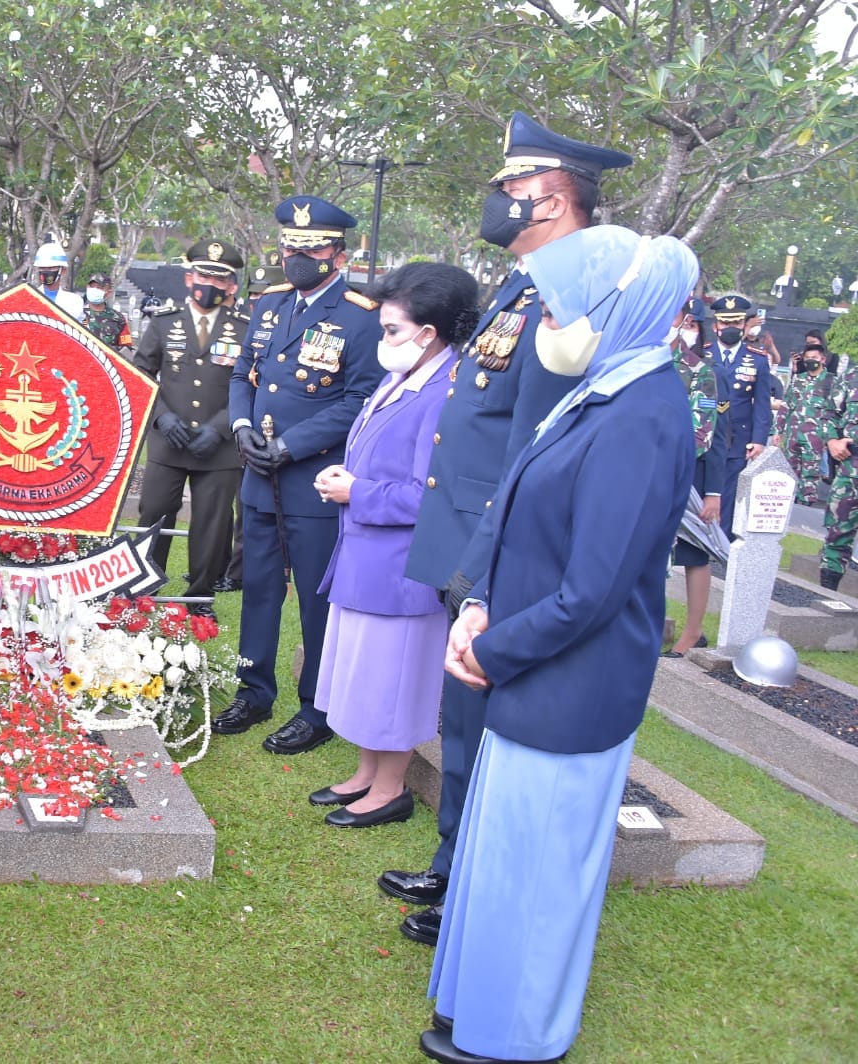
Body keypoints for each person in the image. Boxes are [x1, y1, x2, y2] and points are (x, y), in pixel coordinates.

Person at [424, 227, 698, 1064]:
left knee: (540, 873)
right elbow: (523, 518)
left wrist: (491, 649)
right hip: (530, 661)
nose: (547, 321)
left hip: (571, 681)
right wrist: (480, 610)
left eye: (560, 305)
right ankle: (475, 1006)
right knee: (503, 854)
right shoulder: (605, 390)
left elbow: (594, 588)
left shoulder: (643, 416)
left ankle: (520, 1038)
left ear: (621, 308)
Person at [380, 112, 632, 948]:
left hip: (503, 543)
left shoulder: (579, 292)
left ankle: (471, 888)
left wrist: (486, 567)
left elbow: (536, 445)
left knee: (488, 722)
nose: (499, 207)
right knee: (462, 719)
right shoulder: (526, 284)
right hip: (470, 532)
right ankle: (454, 866)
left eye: (511, 195)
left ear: (552, 202)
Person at [308, 264, 476, 827]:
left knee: (394, 681)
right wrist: (347, 480)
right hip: (363, 554)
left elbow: (435, 494)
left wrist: (359, 492)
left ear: (429, 333)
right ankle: (364, 772)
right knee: (361, 673)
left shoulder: (447, 392)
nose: (384, 342)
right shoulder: (399, 378)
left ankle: (391, 787)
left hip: (403, 565)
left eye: (392, 330)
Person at [212, 195, 381, 754]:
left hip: (314, 480)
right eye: (289, 247)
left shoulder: (361, 317)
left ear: (339, 252)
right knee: (259, 589)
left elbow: (359, 398)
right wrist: (241, 426)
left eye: (310, 249)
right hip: (260, 473)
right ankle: (254, 689)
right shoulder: (269, 305)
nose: (296, 258)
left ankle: (317, 706)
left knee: (314, 598)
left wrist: (291, 445)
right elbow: (245, 372)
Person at [133, 240, 248, 619]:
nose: (209, 283)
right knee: (153, 513)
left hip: (220, 447)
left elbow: (252, 382)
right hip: (168, 441)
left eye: (219, 278)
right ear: (188, 278)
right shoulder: (164, 323)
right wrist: (161, 415)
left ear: (231, 286)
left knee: (212, 525)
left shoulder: (244, 330)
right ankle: (144, 587)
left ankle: (199, 598)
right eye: (202, 275)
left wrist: (220, 427)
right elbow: (140, 375)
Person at [664, 326, 726, 656]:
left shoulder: (700, 370)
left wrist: (713, 491)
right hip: (646, 470)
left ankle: (693, 631)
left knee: (693, 554)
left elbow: (704, 434)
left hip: (686, 473)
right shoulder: (644, 360)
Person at [704, 294, 772, 538]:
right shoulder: (703, 355)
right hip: (704, 433)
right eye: (725, 323)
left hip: (738, 437)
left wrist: (760, 439)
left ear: (744, 325)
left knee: (728, 492)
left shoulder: (758, 360)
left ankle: (719, 543)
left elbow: (762, 404)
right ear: (716, 326)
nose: (730, 328)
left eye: (736, 323)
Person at [779, 335, 834, 506]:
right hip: (793, 434)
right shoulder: (799, 380)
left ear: (823, 359)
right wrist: (778, 431)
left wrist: (830, 437)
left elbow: (834, 412)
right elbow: (786, 406)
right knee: (789, 471)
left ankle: (806, 505)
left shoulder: (831, 382)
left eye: (814, 358)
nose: (811, 361)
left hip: (815, 437)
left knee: (810, 475)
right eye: (808, 358)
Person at [818, 362, 858, 590]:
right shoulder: (851, 376)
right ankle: (826, 596)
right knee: (837, 535)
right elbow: (829, 414)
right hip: (849, 470)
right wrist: (832, 441)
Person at [80, 271, 134, 352]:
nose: (94, 290)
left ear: (109, 292)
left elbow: (127, 348)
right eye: (91, 286)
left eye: (99, 287)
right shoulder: (78, 313)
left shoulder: (118, 319)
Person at [31, 241, 85, 316]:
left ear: (63, 270)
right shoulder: (29, 298)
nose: (45, 271)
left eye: (50, 268)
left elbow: (83, 325)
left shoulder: (75, 302)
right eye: (42, 268)